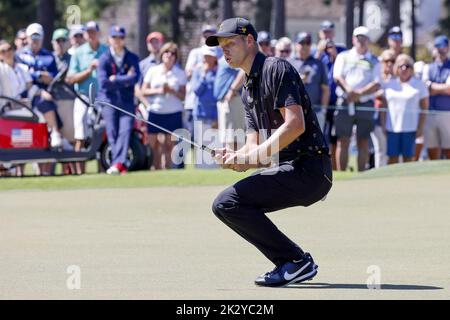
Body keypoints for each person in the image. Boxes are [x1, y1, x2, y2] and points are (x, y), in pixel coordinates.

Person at [206, 17, 332, 287]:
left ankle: (295, 262)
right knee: (225, 204)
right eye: (221, 46)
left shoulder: (277, 68)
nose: (224, 50)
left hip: (311, 169)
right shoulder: (247, 88)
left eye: (230, 43)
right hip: (287, 169)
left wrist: (251, 158)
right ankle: (295, 261)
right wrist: (237, 159)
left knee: (229, 202)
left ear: (250, 41)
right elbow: (256, 149)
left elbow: (295, 124)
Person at [333, 26, 381, 172]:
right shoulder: (344, 56)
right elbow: (337, 77)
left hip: (365, 103)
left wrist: (358, 94)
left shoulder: (374, 60)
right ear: (353, 40)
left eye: (364, 39)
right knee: (343, 140)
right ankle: (342, 174)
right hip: (344, 102)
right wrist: (349, 92)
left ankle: (361, 175)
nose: (361, 41)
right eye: (358, 38)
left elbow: (376, 83)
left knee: (363, 141)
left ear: (368, 41)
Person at [97, 25, 141, 175]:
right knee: (112, 132)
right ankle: (118, 163)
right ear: (109, 39)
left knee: (125, 131)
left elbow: (135, 78)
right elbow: (103, 82)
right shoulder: (104, 59)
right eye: (114, 37)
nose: (117, 41)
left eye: (120, 37)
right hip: (108, 101)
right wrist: (124, 79)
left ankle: (117, 163)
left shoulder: (132, 57)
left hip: (127, 102)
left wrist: (115, 78)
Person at [67, 21, 109, 175]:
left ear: (98, 33)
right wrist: (88, 70)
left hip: (102, 97)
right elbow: (71, 78)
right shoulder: (79, 52)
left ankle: (102, 170)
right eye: (88, 32)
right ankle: (80, 173)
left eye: (93, 32)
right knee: (80, 135)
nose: (91, 35)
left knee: (103, 134)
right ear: (85, 34)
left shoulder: (106, 51)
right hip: (83, 96)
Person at [141, 42, 186, 170]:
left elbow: (183, 95)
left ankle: (167, 168)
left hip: (173, 112)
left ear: (175, 57)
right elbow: (143, 90)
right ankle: (155, 167)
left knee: (169, 144)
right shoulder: (153, 70)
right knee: (153, 144)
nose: (169, 55)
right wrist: (159, 90)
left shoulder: (179, 73)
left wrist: (172, 91)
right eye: (166, 52)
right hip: (156, 111)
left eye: (172, 53)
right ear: (162, 54)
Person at [17, 23, 63, 149]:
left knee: (46, 100)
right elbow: (22, 74)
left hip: (46, 93)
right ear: (27, 37)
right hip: (25, 93)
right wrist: (39, 74)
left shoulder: (49, 56)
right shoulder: (19, 55)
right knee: (44, 99)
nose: (35, 41)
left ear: (42, 38)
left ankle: (55, 133)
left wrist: (34, 74)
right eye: (32, 37)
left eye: (38, 38)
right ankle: (55, 132)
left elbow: (52, 78)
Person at [381, 54, 428, 164]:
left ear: (412, 68)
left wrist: (420, 128)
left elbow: (424, 108)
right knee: (392, 158)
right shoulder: (389, 84)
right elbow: (383, 107)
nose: (404, 69)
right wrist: (383, 125)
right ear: (396, 67)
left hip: (410, 128)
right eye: (401, 66)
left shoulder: (419, 85)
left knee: (408, 159)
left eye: (407, 66)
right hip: (392, 128)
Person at [289, 32, 329, 131]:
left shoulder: (318, 64)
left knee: (316, 145)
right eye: (302, 43)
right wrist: (298, 80)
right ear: (296, 45)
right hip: (294, 113)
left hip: (315, 112)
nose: (305, 46)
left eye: (308, 43)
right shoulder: (289, 62)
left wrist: (323, 110)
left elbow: (326, 89)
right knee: (295, 145)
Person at [191, 46, 220, 168]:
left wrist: (218, 117)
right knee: (202, 145)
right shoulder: (198, 71)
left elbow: (219, 93)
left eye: (210, 56)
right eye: (205, 56)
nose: (207, 58)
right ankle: (202, 169)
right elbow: (197, 91)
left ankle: (214, 168)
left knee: (215, 144)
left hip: (215, 114)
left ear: (214, 58)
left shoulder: (219, 72)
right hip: (201, 114)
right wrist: (204, 75)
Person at [422, 35, 450, 160]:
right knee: (432, 149)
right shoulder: (428, 68)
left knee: (448, 149)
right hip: (430, 113)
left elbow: (449, 89)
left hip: (447, 113)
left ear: (448, 48)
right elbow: (425, 89)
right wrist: (443, 87)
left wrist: (432, 87)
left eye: (443, 46)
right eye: (438, 47)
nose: (441, 49)